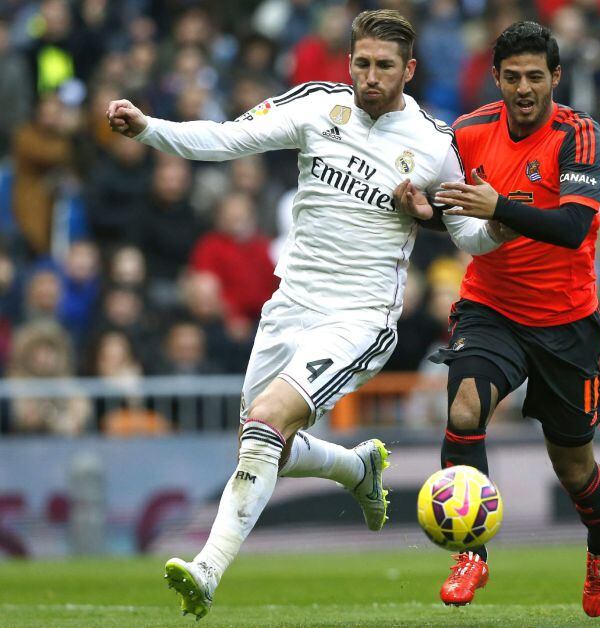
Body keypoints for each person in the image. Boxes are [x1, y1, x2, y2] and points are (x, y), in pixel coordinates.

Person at [107, 9, 508, 619]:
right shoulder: (318, 105)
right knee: (261, 440)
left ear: (410, 70)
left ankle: (207, 570)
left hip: (360, 316)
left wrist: (493, 217)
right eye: (362, 63)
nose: (371, 76)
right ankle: (356, 466)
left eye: (385, 66)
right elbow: (227, 138)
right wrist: (148, 129)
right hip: (290, 303)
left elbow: (469, 237)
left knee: (266, 423)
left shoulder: (435, 143)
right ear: (349, 62)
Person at [411, 21, 600, 617]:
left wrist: (499, 206)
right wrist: (422, 207)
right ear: (496, 78)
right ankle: (472, 552)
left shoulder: (580, 136)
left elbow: (573, 227)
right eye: (512, 77)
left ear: (555, 77)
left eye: (535, 76)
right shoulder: (470, 131)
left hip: (566, 321)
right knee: (464, 407)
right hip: (491, 308)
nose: (524, 88)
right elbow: (455, 216)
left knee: (573, 464)